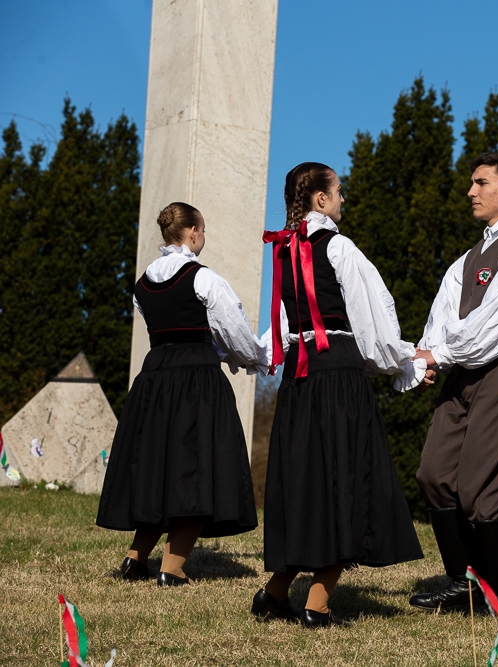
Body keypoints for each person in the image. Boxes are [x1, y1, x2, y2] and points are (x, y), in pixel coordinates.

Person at [255, 162, 426, 627]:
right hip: (337, 381)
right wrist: (406, 361)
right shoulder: (339, 247)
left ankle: (274, 594)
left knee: (307, 484)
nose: (344, 199)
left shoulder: (284, 252)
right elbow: (373, 318)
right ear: (321, 199)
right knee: (347, 481)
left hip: (298, 381)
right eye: (339, 191)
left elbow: (282, 330)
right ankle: (317, 605)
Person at [409, 152, 498, 616]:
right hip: (463, 374)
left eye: (481, 182)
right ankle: (464, 583)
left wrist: (441, 354)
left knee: (480, 490)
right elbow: (442, 317)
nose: (471, 191)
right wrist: (424, 358)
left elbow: (495, 327)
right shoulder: (468, 259)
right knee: (433, 474)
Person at [97, 202, 266, 586]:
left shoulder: (143, 284)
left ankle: (136, 558)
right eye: (202, 230)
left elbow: (168, 329)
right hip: (195, 381)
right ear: (192, 232)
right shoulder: (204, 279)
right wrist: (257, 358)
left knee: (160, 468)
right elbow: (233, 333)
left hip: (155, 379)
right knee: (195, 470)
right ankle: (171, 569)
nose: (203, 237)